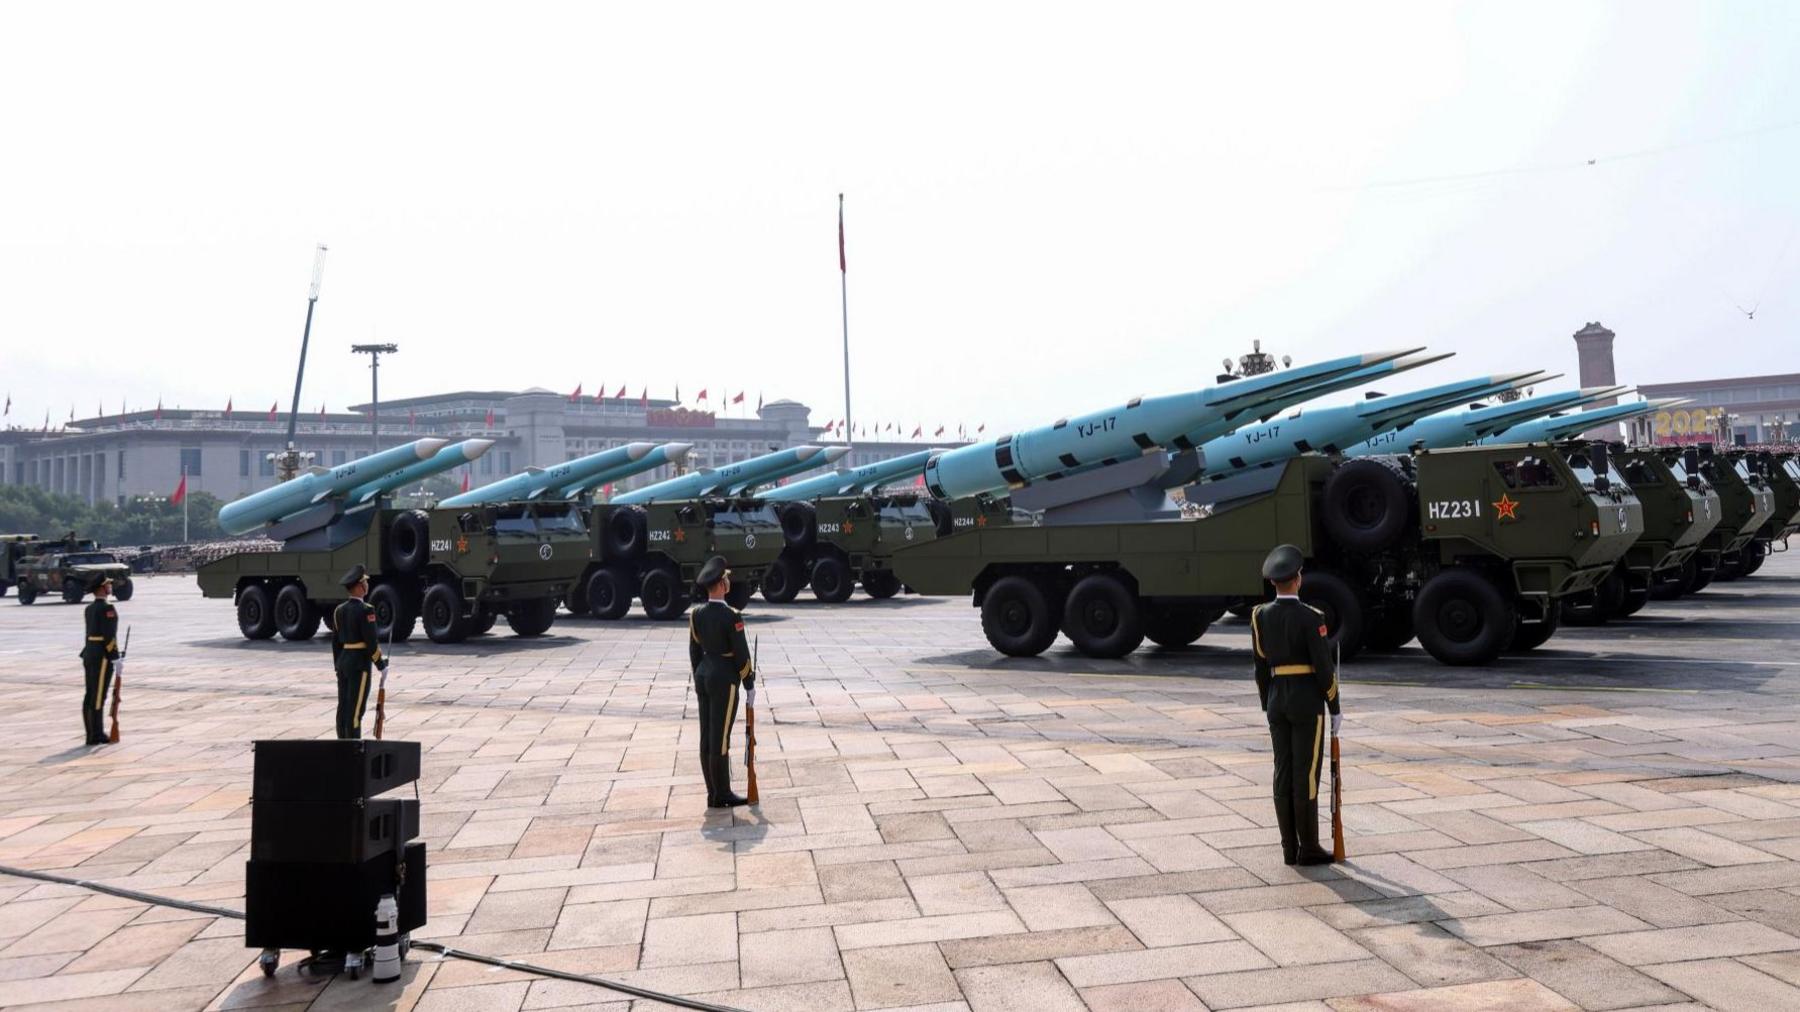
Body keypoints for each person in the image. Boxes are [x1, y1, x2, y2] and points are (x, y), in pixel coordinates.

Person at [1252, 544, 1340, 866]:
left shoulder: (1259, 616)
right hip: (1306, 700)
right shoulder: (1311, 616)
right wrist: (1334, 703)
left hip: (1277, 699)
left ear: (1274, 582)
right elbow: (1323, 666)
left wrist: (1268, 703)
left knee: (1282, 771)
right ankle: (1310, 847)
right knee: (1306, 774)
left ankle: (1289, 848)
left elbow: (1260, 666)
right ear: (1298, 579)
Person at [688, 556, 755, 808]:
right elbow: (741, 653)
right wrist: (749, 682)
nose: (728, 581)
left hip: (704, 675)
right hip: (725, 678)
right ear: (720, 584)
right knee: (721, 738)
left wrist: (698, 676)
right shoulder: (731, 615)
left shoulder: (696, 614)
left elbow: (694, 652)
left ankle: (712, 792)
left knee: (706, 735)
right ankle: (723, 793)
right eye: (725, 578)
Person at [331, 566, 387, 740]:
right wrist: (380, 664)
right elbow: (371, 642)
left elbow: (335, 643)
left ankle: (342, 743)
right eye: (364, 582)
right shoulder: (366, 610)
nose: (366, 584)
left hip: (343, 663)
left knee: (343, 708)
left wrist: (337, 665)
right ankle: (353, 747)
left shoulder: (339, 610)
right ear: (359, 587)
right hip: (359, 665)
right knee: (355, 711)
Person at [80, 575, 123, 745]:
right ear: (102, 588)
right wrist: (115, 657)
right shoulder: (108, 608)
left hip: (89, 652)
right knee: (98, 695)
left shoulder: (89, 608)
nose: (111, 586)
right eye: (108, 585)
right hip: (102, 656)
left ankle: (91, 732)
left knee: (90, 693)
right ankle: (96, 734)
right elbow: (109, 636)